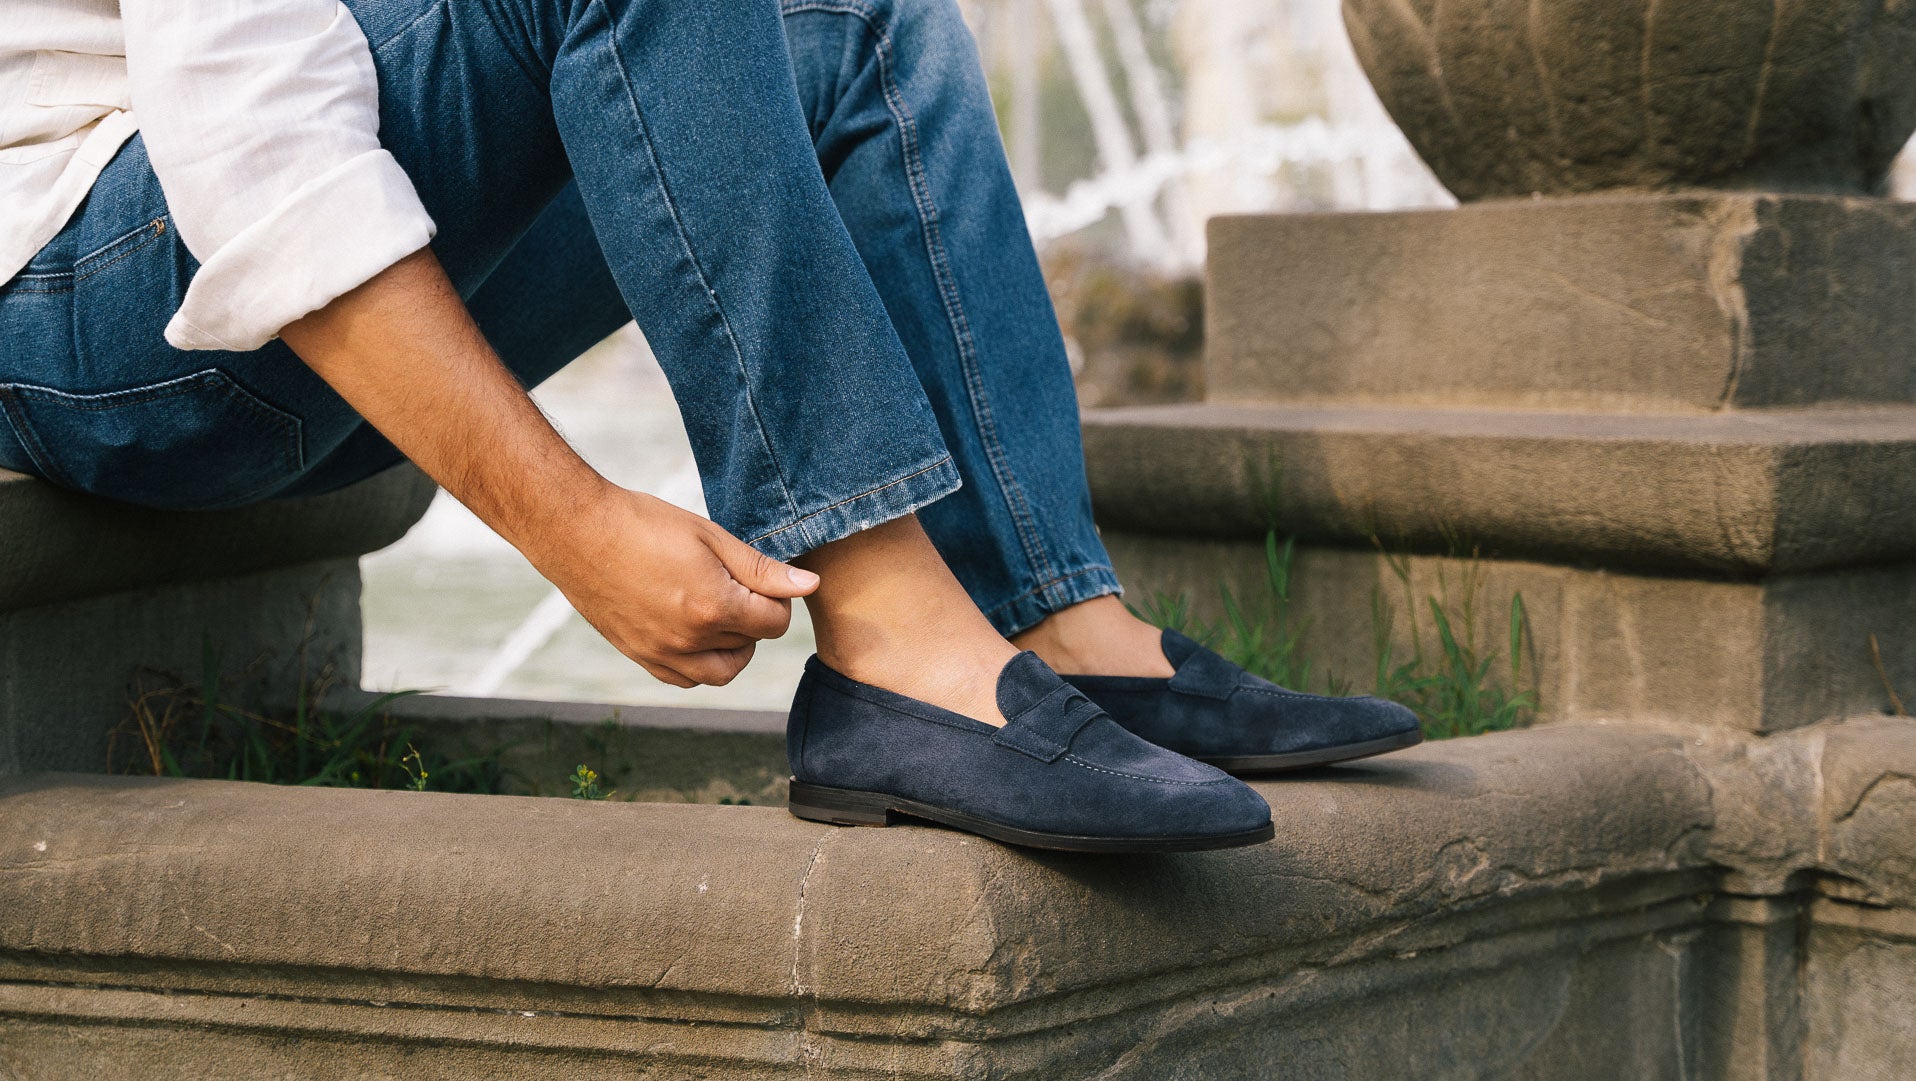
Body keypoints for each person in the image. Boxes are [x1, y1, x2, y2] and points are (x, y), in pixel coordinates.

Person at [0, 0, 1419, 852]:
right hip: (90, 299)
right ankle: (895, 655)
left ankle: (1053, 624)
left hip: (252, 287)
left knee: (855, 15)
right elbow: (256, 154)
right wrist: (579, 524)